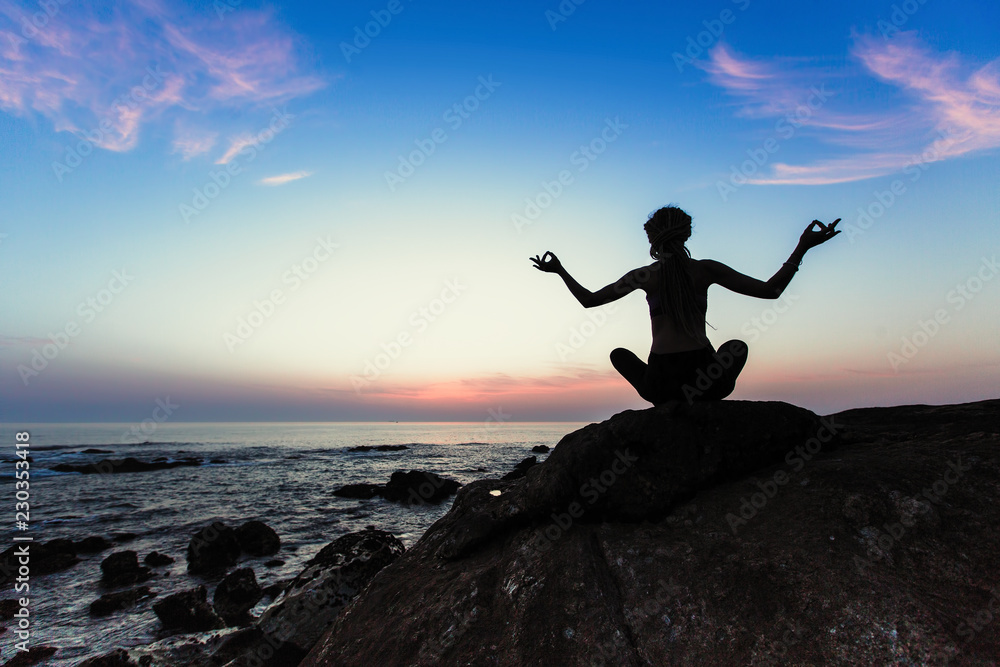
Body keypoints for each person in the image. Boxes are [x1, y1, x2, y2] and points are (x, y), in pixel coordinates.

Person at [530, 206, 840, 409]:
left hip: (661, 384)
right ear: (687, 233)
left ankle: (667, 404)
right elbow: (771, 291)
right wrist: (803, 247)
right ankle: (701, 400)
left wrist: (560, 271)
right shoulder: (705, 270)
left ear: (652, 237)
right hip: (703, 378)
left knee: (619, 355)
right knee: (736, 347)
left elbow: (589, 300)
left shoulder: (644, 276)